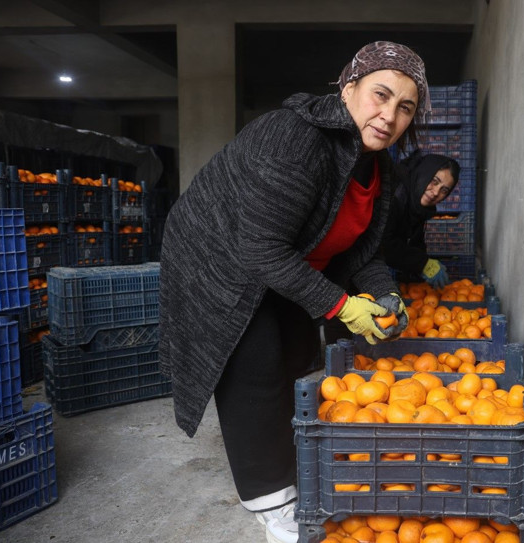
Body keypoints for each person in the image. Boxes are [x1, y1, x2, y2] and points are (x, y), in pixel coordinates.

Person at [157, 41, 430, 543]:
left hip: (283, 258)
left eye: (404, 107)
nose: (389, 115)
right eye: (380, 95)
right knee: (254, 367)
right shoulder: (296, 137)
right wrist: (341, 304)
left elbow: (364, 251)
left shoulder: (378, 164)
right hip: (220, 256)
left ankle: (293, 463)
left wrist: (385, 296)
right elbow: (259, 249)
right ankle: (272, 502)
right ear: (349, 88)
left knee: (294, 358)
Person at [383, 150, 460, 289]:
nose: (436, 192)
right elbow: (383, 244)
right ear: (424, 174)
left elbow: (415, 239)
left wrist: (424, 267)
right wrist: (422, 263)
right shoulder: (395, 194)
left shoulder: (417, 206)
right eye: (434, 181)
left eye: (444, 190)